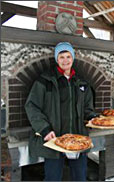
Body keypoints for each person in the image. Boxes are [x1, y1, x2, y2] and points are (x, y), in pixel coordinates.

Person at [25, 42, 97, 181]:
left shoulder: (81, 83)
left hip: (78, 139)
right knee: (53, 179)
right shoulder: (45, 81)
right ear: (57, 59)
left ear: (73, 58)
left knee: (80, 177)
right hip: (54, 139)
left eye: (68, 56)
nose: (65, 60)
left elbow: (88, 109)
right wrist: (44, 129)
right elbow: (31, 106)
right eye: (61, 57)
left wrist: (92, 118)